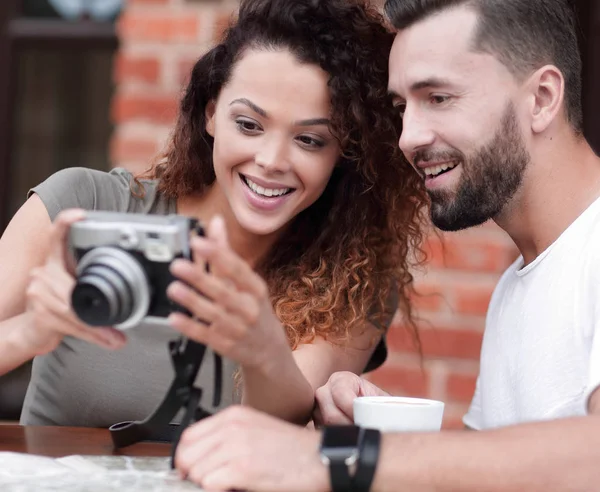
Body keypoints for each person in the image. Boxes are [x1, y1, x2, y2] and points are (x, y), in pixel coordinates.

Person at [172, 0, 600, 490]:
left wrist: (337, 459)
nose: (408, 137)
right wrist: (366, 436)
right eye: (401, 108)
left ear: (542, 98)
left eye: (438, 97)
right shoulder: (524, 282)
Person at [0, 0, 428, 428]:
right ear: (210, 115)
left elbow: (275, 423)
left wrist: (260, 343)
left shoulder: (354, 275)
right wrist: (30, 332)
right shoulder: (82, 204)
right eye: (249, 125)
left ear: (344, 153)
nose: (271, 159)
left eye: (310, 140)